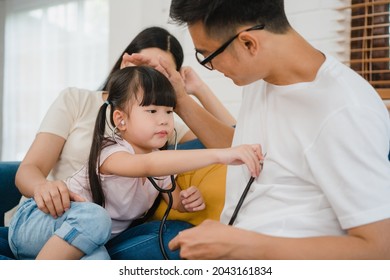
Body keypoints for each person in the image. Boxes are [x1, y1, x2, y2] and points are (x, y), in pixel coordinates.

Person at [147, 0, 390, 259]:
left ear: (249, 43)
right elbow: (246, 150)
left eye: (207, 55)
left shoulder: (345, 111)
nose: (212, 67)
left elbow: (379, 248)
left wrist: (244, 245)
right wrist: (181, 100)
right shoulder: (260, 78)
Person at [0, 26, 235, 259]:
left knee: (101, 258)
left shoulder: (161, 127)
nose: (151, 80)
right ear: (126, 63)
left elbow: (233, 139)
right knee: (95, 218)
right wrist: (43, 188)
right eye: (146, 68)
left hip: (94, 235)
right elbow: (149, 163)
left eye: (161, 75)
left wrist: (196, 91)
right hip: (48, 217)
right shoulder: (81, 104)